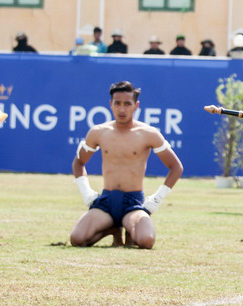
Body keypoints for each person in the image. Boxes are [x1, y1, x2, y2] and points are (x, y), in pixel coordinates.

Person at [70, 81, 183, 249]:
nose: (122, 109)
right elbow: (79, 162)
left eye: (127, 104)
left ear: (136, 105)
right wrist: (87, 194)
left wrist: (156, 200)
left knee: (146, 241)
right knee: (77, 239)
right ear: (110, 104)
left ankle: (129, 230)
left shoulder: (149, 134)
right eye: (117, 103)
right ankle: (112, 228)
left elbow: (176, 167)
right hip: (105, 203)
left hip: (133, 203)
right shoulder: (98, 132)